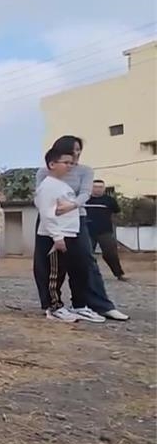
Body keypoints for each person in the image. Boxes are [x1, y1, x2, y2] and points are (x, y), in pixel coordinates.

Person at [34, 136, 129, 321]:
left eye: (78, 150)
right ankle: (52, 305)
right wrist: (52, 213)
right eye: (72, 150)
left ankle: (96, 304)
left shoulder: (85, 171)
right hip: (51, 220)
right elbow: (40, 195)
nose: (76, 154)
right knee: (47, 264)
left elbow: (86, 193)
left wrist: (72, 206)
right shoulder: (44, 172)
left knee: (85, 261)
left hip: (76, 219)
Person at [33, 149, 97, 322]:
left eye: (71, 163)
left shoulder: (61, 185)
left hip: (67, 233)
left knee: (63, 270)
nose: (69, 166)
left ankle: (70, 306)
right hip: (56, 236)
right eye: (65, 162)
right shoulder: (48, 186)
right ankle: (54, 307)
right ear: (52, 164)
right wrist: (57, 237)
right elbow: (47, 213)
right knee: (54, 274)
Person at [86, 180, 127, 281]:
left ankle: (119, 274)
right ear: (91, 188)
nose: (98, 189)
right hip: (87, 231)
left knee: (111, 253)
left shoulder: (109, 200)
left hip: (105, 231)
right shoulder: (85, 199)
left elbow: (117, 212)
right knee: (86, 254)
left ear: (104, 189)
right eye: (95, 187)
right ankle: (87, 275)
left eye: (100, 187)